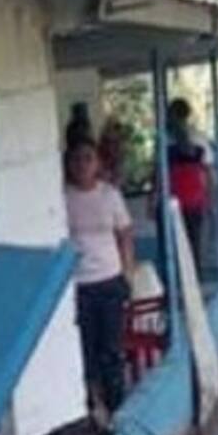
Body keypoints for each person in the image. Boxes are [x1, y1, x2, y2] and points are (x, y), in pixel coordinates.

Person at [64, 138, 135, 418]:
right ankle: (94, 406)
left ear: (98, 163)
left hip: (109, 279)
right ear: (68, 164)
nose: (82, 165)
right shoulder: (63, 198)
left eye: (88, 158)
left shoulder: (110, 195)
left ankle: (117, 407)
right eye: (76, 159)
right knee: (87, 351)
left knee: (112, 349)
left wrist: (128, 272)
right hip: (79, 285)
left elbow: (125, 234)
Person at [163, 98, 214, 270]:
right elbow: (209, 172)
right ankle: (194, 275)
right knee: (193, 240)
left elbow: (159, 171)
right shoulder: (199, 138)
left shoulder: (166, 140)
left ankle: (178, 276)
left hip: (173, 196)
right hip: (194, 196)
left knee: (174, 241)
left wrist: (154, 196)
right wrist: (209, 198)